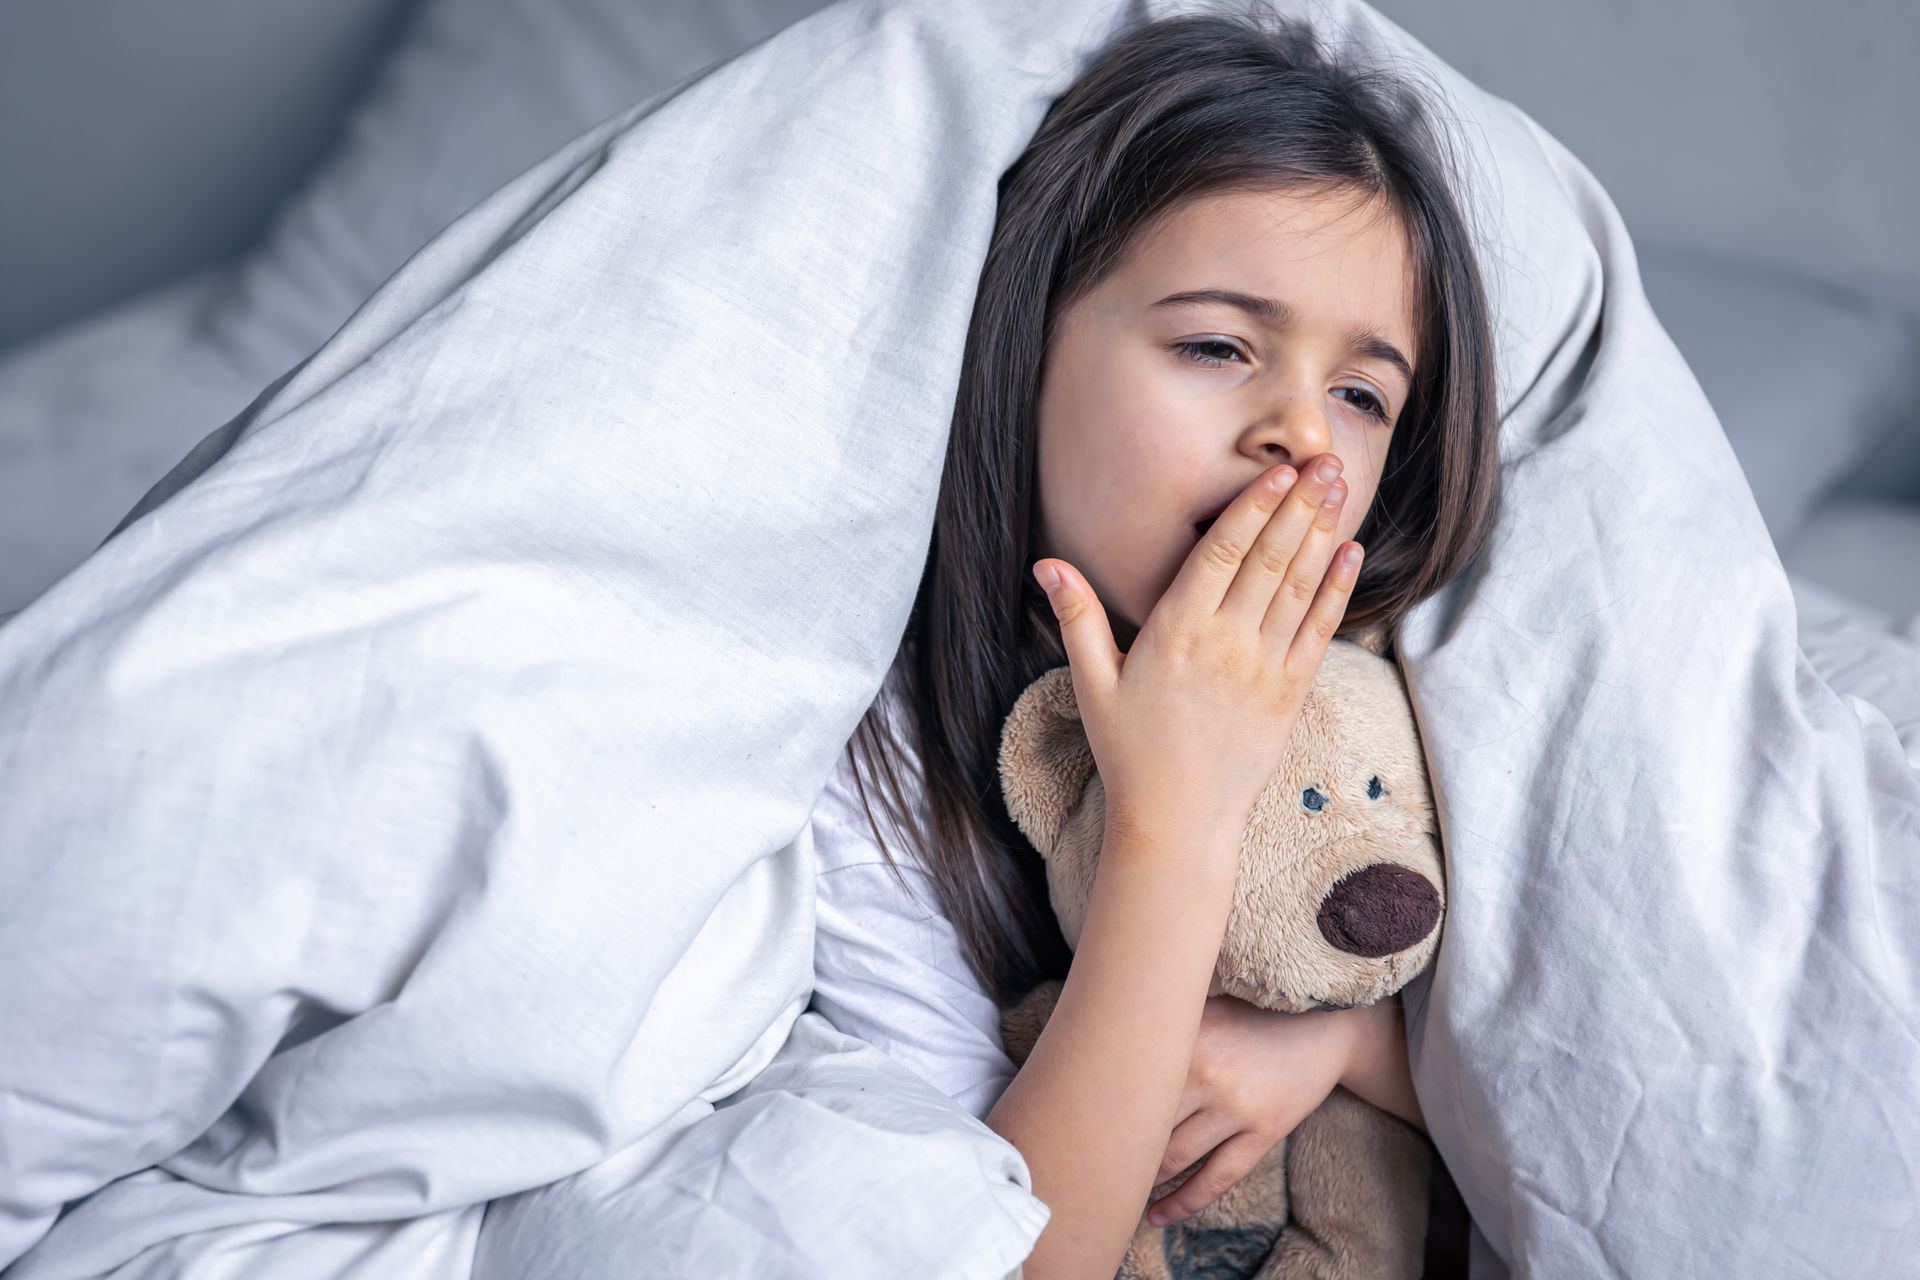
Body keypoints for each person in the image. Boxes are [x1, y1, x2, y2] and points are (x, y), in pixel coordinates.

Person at [808, 10, 1502, 1278]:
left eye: (1361, 393)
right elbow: (1013, 1256)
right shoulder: (875, 767)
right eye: (1217, 344)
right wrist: (1172, 816)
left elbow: (1568, 1098)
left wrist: (1338, 1042)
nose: (1304, 433)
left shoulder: (1411, 682)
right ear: (1025, 341)